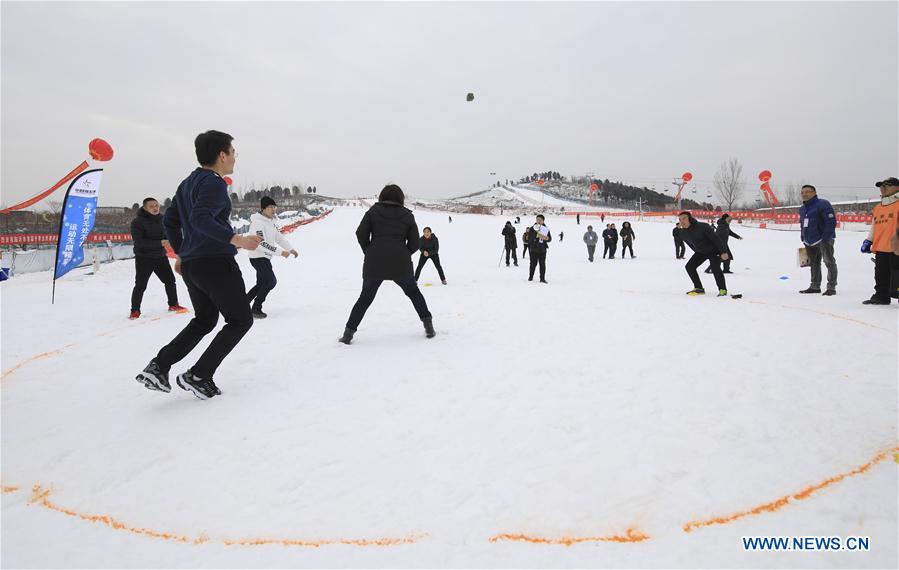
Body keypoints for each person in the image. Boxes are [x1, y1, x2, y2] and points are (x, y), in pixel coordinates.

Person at [135, 130, 262, 399]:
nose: (235, 158)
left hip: (194, 264)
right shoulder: (214, 183)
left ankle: (159, 366)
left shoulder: (187, 183)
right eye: (233, 152)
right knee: (240, 319)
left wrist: (183, 254)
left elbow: (171, 222)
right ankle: (200, 374)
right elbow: (201, 219)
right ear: (222, 155)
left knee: (205, 319)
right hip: (215, 261)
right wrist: (236, 239)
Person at [339, 184, 434, 344]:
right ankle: (429, 327)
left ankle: (348, 334)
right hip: (400, 263)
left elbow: (360, 233)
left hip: (374, 262)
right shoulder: (407, 215)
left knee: (365, 299)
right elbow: (415, 244)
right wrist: (403, 254)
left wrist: (369, 251)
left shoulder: (373, 212)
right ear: (400, 198)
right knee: (413, 293)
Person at [129, 197, 186, 319]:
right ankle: (135, 310)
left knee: (170, 281)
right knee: (140, 285)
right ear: (144, 208)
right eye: (151, 206)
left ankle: (173, 304)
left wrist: (171, 240)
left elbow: (168, 235)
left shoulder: (162, 219)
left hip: (160, 256)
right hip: (144, 258)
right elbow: (139, 242)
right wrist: (161, 243)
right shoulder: (137, 222)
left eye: (156, 205)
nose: (155, 208)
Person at [246, 196, 298, 319]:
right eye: (270, 207)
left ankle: (240, 304)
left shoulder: (271, 222)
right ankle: (256, 308)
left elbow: (278, 237)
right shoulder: (258, 223)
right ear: (263, 208)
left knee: (261, 284)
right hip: (257, 257)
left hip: (265, 258)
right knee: (270, 282)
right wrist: (280, 252)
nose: (273, 209)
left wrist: (290, 249)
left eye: (274, 207)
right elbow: (260, 243)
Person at [861, 177, 899, 305]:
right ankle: (881, 296)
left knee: (897, 274)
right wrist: (868, 240)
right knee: (880, 274)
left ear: (896, 187)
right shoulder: (878, 207)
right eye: (881, 186)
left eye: (886, 185)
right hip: (881, 246)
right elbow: (874, 226)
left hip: (896, 247)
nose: (882, 188)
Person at [798, 184, 838, 295]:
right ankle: (815, 286)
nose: (804, 194)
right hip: (809, 240)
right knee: (814, 263)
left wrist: (826, 237)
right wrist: (803, 236)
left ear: (814, 193)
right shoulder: (802, 208)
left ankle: (831, 287)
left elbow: (830, 221)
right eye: (802, 192)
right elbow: (802, 223)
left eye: (807, 191)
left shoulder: (823, 204)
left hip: (823, 239)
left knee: (829, 262)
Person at [678, 211, 729, 296]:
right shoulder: (683, 233)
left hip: (714, 251)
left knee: (715, 268)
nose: (682, 221)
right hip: (701, 252)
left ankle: (722, 290)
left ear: (690, 219)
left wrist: (723, 252)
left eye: (684, 219)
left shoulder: (702, 226)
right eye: (680, 219)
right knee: (689, 267)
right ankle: (699, 288)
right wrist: (698, 251)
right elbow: (691, 245)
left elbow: (716, 239)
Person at [524, 214, 552, 283]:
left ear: (543, 221)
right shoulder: (532, 228)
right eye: (537, 219)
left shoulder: (546, 229)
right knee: (533, 264)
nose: (538, 221)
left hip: (542, 250)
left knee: (542, 265)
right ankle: (530, 277)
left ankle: (542, 278)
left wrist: (546, 238)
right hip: (533, 249)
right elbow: (528, 239)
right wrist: (536, 236)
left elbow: (550, 239)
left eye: (540, 220)